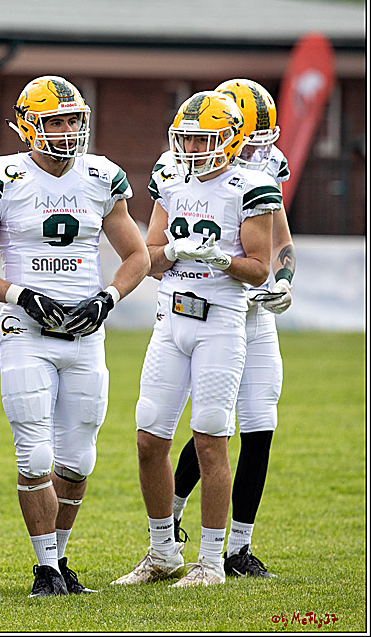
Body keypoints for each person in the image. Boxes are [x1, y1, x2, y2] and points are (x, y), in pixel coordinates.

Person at [0, 75, 149, 597]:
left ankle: (61, 560)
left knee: (78, 458)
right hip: (27, 328)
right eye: (54, 121)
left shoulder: (102, 176)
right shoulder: (3, 176)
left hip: (86, 330)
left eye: (73, 120)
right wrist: (21, 295)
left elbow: (138, 256)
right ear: (26, 126)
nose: (67, 131)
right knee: (35, 455)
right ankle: (44, 567)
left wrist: (107, 298)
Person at [114, 90, 281, 588]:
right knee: (149, 438)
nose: (191, 147)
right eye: (185, 137)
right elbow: (150, 258)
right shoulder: (170, 179)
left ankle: (210, 560)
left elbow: (257, 270)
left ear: (230, 142)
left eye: (202, 138)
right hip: (171, 319)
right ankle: (163, 551)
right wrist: (173, 252)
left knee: (210, 439)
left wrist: (217, 259)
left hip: (221, 323)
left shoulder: (250, 186)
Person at [165, 79, 294, 578]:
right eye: (251, 137)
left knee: (260, 423)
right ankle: (171, 517)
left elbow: (281, 241)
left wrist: (283, 279)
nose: (260, 150)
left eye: (264, 139)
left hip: (253, 312)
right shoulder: (182, 167)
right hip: (205, 309)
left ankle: (239, 547)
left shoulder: (264, 167)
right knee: (208, 427)